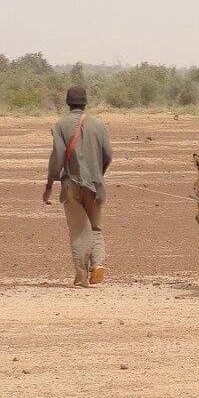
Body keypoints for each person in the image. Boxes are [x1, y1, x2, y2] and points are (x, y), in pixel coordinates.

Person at [45, 86, 112, 288]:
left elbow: (58, 155)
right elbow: (108, 153)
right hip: (95, 185)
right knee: (95, 228)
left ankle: (82, 277)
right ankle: (98, 264)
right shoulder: (98, 125)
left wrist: (50, 183)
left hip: (71, 185)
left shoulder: (60, 125)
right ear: (85, 103)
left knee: (79, 230)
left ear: (67, 103)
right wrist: (98, 174)